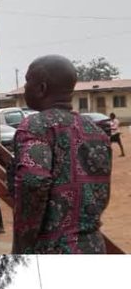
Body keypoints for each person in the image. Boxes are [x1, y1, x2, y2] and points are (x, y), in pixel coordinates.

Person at [8, 54, 111, 253]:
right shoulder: (97, 132)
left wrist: (22, 244)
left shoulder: (35, 126)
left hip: (53, 249)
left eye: (28, 80)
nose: (25, 87)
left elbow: (33, 182)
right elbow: (101, 193)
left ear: (42, 88)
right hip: (94, 246)